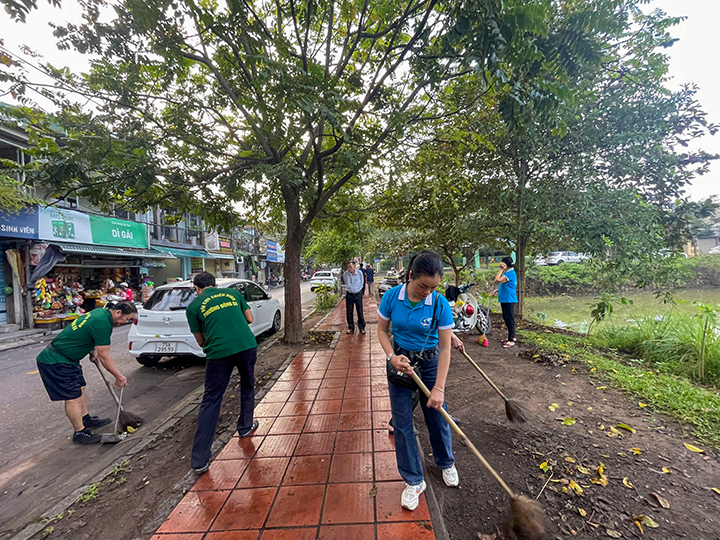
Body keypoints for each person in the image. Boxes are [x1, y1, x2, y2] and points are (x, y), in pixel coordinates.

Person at [377, 250, 459, 511]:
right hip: (402, 363)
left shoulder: (439, 303)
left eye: (434, 287)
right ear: (411, 276)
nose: (428, 292)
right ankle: (413, 480)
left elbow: (446, 348)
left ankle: (446, 462)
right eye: (424, 285)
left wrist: (439, 388)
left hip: (431, 361)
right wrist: (392, 357)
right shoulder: (391, 297)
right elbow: (381, 330)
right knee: (402, 423)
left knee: (437, 412)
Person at [186, 272, 259, 474]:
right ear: (215, 285)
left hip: (218, 353)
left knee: (211, 399)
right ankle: (245, 426)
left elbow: (200, 340)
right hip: (246, 345)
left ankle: (200, 460)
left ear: (197, 288)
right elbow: (250, 318)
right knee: (247, 385)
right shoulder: (233, 294)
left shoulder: (193, 306)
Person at [36, 302, 137, 445]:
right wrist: (118, 376)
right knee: (73, 398)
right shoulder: (103, 323)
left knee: (80, 389)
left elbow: (84, 332)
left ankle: (85, 419)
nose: (125, 322)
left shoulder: (100, 313)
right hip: (56, 361)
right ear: (118, 312)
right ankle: (80, 432)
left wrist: (92, 349)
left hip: (69, 360)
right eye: (126, 319)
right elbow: (104, 356)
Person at [494, 256, 518, 348]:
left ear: (505, 264)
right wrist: (495, 291)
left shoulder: (510, 273)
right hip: (504, 298)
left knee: (510, 319)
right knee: (506, 318)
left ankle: (511, 339)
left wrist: (500, 270)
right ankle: (510, 337)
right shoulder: (508, 272)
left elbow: (497, 280)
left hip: (509, 299)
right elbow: (501, 284)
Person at [343, 261, 366, 334]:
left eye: (351, 267)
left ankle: (361, 327)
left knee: (359, 311)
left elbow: (362, 282)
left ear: (354, 266)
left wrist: (361, 292)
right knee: (349, 312)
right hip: (349, 294)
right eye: (348, 267)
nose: (349, 269)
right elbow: (346, 282)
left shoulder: (359, 273)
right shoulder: (345, 274)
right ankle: (351, 327)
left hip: (358, 294)